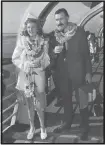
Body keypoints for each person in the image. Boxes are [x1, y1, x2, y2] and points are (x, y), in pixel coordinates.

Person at [48, 8, 92, 140]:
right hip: (62, 74)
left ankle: (84, 125)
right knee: (66, 100)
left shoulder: (79, 32)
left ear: (67, 17)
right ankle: (67, 123)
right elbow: (49, 57)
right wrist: (54, 52)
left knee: (82, 99)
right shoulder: (53, 36)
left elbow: (86, 54)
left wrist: (89, 72)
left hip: (79, 72)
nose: (59, 22)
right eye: (56, 20)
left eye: (61, 19)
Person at [12, 14, 50, 140]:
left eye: (33, 27)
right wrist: (25, 64)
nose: (30, 30)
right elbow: (15, 58)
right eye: (28, 27)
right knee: (29, 104)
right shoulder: (22, 42)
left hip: (39, 74)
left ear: (38, 28)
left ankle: (43, 127)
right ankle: (32, 127)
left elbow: (47, 60)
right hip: (26, 74)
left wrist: (41, 63)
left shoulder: (43, 41)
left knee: (39, 104)